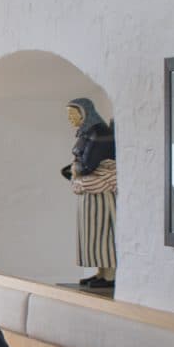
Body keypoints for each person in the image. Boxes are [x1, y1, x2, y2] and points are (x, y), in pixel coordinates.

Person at [62, 97, 118, 290]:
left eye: (73, 114)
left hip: (100, 191)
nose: (70, 118)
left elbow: (89, 163)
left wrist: (77, 168)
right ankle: (101, 272)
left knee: (103, 231)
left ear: (85, 113)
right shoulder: (86, 133)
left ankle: (109, 273)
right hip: (89, 191)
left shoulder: (99, 132)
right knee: (92, 234)